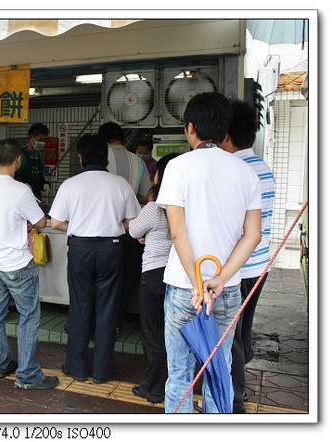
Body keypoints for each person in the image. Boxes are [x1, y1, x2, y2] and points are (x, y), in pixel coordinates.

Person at [156, 92, 262, 414]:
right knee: (220, 371)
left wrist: (197, 284)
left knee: (180, 375)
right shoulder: (246, 172)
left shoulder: (178, 167)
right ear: (224, 129)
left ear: (191, 128)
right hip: (226, 290)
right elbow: (252, 236)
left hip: (183, 290)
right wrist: (219, 279)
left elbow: (177, 232)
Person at [49, 134, 140, 384]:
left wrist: (78, 226)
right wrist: (113, 225)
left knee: (80, 307)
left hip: (80, 249)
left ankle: (76, 368)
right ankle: (102, 371)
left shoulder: (70, 184)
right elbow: (133, 222)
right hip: (112, 248)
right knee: (107, 309)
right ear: (106, 156)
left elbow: (55, 222)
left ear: (80, 157)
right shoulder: (120, 184)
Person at [0, 138, 59, 390]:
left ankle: (0, 364)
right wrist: (28, 223)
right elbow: (41, 222)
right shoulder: (21, 190)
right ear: (19, 159)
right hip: (16, 264)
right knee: (28, 316)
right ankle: (27, 374)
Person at [215, 99, 275, 413]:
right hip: (259, 266)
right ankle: (239, 389)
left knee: (230, 338)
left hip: (236, 269)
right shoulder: (263, 167)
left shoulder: (235, 170)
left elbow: (232, 228)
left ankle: (233, 402)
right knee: (242, 333)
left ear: (225, 134)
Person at [128, 152, 181, 404]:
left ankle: (154, 387)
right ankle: (171, 384)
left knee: (153, 333)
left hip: (153, 275)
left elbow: (133, 230)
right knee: (173, 333)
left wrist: (145, 234)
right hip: (179, 276)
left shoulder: (154, 207)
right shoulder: (186, 206)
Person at [98, 121, 149, 332]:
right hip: (131, 230)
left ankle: (98, 324)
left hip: (103, 230)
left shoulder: (100, 160)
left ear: (103, 140)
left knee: (101, 281)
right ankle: (116, 324)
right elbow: (146, 195)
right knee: (125, 280)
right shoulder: (138, 161)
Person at [98, 122, 150, 205]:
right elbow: (146, 197)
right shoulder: (138, 161)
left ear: (101, 139)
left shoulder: (99, 158)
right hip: (133, 215)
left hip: (104, 212)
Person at [14, 123, 49, 199]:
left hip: (36, 198)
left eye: (44, 140)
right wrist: (22, 185)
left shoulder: (40, 156)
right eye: (40, 140)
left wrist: (45, 184)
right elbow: (11, 177)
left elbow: (39, 175)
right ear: (31, 137)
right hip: (20, 197)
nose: (42, 143)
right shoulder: (19, 154)